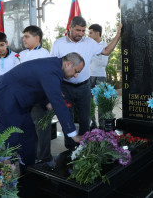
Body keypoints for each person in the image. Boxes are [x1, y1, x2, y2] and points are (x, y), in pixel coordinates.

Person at [0, 52, 84, 173]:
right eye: (76, 71)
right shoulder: (53, 70)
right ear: (68, 64)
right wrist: (73, 134)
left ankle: (29, 176)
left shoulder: (53, 66)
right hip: (2, 99)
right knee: (10, 141)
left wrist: (46, 101)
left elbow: (37, 84)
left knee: (28, 139)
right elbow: (58, 102)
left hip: (17, 102)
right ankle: (1, 181)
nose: (76, 75)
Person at [50, 16, 122, 150]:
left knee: (85, 119)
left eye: (83, 31)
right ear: (70, 28)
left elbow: (106, 51)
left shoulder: (89, 42)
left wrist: (118, 35)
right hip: (65, 87)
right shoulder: (58, 44)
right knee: (67, 119)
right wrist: (56, 88)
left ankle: (85, 146)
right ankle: (70, 149)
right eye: (78, 30)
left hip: (84, 87)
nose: (81, 34)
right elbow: (53, 67)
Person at [18, 25, 53, 167]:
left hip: (39, 98)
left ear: (37, 38)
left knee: (42, 130)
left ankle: (45, 159)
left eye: (27, 36)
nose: (24, 39)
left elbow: (47, 79)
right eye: (23, 36)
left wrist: (48, 99)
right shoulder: (21, 54)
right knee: (30, 130)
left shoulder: (44, 54)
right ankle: (33, 158)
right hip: (25, 98)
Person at [88, 24, 109, 128]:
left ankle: (102, 126)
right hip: (88, 76)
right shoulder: (89, 45)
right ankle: (93, 124)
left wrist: (92, 56)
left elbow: (103, 63)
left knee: (101, 103)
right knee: (89, 102)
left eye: (91, 33)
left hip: (100, 77)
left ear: (97, 33)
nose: (89, 35)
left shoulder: (104, 46)